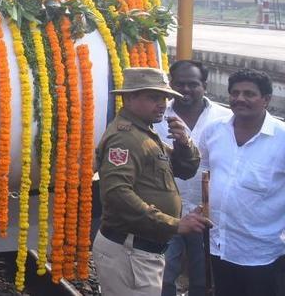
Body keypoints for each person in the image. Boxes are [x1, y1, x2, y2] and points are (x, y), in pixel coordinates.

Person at [94, 67, 211, 296]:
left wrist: (183, 143)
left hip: (140, 251)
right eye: (153, 97)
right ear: (129, 98)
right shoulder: (125, 137)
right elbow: (117, 194)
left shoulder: (144, 133)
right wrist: (174, 224)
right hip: (130, 251)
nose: (162, 104)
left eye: (165, 98)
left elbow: (185, 170)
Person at [194, 69, 285, 296]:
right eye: (234, 93)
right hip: (219, 245)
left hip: (262, 254)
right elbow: (205, 168)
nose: (240, 99)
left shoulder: (281, 138)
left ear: (266, 99)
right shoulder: (215, 130)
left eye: (249, 94)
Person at [153, 60, 233, 296]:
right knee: (163, 277)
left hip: (207, 214)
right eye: (180, 84)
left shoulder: (225, 118)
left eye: (193, 84)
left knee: (204, 279)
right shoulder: (157, 116)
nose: (186, 90)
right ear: (171, 84)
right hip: (166, 211)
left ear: (204, 86)